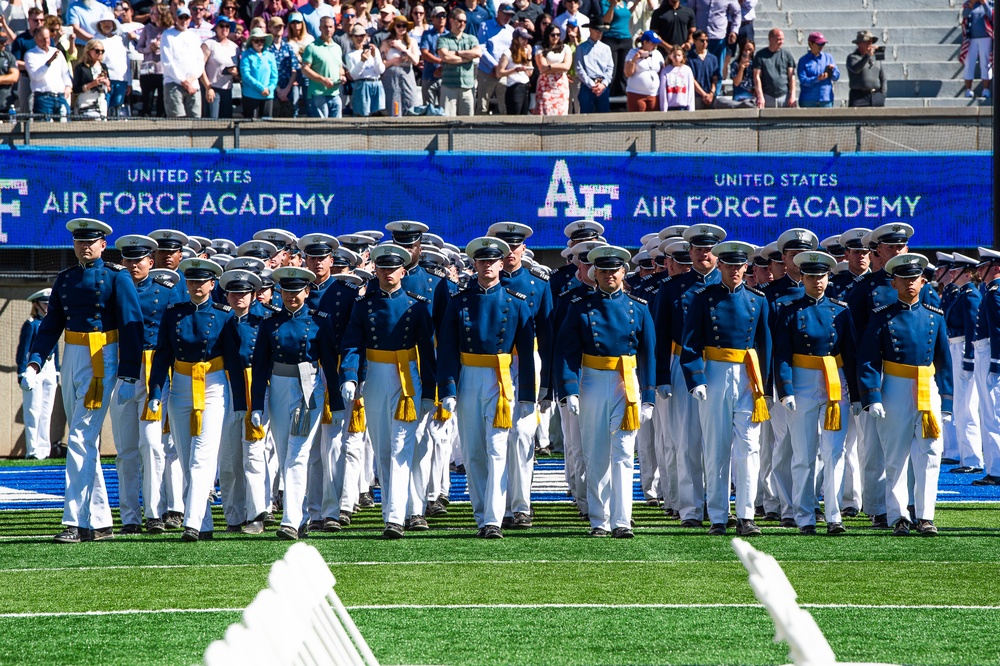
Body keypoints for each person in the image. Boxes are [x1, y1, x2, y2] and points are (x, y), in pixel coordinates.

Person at [24, 218, 143, 543]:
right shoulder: (66, 279)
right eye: (79, 242)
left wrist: (130, 372)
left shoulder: (117, 277)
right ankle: (101, 522)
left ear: (104, 245)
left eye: (91, 242)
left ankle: (75, 520)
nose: (84, 247)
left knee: (78, 436)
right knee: (84, 441)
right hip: (73, 355)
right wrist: (35, 362)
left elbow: (133, 325)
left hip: (101, 357)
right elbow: (51, 326)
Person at [437, 237, 536, 538]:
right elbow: (448, 349)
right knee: (474, 451)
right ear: (475, 265)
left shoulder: (516, 302)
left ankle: (494, 518)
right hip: (468, 377)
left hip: (501, 379)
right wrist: (449, 389)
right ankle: (482, 514)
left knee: (497, 448)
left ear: (501, 263)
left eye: (492, 261)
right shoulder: (459, 302)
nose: (487, 266)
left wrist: (528, 395)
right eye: (482, 262)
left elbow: (527, 355)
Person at [339, 244, 437, 539]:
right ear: (376, 271)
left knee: (403, 445)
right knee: (383, 446)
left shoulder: (416, 306)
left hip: (407, 377)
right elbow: (352, 343)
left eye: (393, 268)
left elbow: (428, 353)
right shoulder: (364, 305)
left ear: (403, 271)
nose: (387, 273)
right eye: (382, 268)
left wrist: (431, 391)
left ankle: (401, 515)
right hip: (377, 377)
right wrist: (350, 376)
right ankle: (394, 512)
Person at [557, 245, 655, 539]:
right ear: (594, 273)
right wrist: (570, 389)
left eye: (615, 270)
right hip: (592, 381)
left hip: (626, 382)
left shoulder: (639, 307)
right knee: (595, 452)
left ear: (624, 272)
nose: (610, 275)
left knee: (624, 452)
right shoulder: (579, 306)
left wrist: (648, 396)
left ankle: (623, 519)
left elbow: (649, 354)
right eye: (604, 270)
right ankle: (599, 519)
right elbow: (567, 352)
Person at [147, 258, 247, 542]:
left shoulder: (224, 314)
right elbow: (162, 354)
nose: (196, 286)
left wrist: (239, 402)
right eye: (191, 281)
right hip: (180, 385)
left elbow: (234, 362)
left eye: (201, 282)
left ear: (212, 284)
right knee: (187, 455)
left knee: (203, 457)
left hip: (213, 386)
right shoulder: (174, 313)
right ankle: (203, 524)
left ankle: (190, 523)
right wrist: (156, 392)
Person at [858, 253, 952, 537]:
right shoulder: (882, 317)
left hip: (926, 387)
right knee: (895, 456)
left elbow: (945, 362)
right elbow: (869, 359)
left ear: (923, 282)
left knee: (930, 453)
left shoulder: (935, 318)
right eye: (904, 279)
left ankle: (925, 516)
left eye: (914, 279)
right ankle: (899, 515)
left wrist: (946, 401)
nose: (910, 284)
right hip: (895, 387)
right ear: (894, 282)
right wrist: (872, 396)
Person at [680, 240, 768, 537]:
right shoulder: (703, 299)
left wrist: (764, 387)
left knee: (749, 447)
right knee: (716, 447)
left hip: (747, 374)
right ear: (720, 266)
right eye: (728, 265)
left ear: (747, 267)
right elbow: (690, 344)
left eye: (739, 266)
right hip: (714, 375)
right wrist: (696, 379)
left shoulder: (758, 300)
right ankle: (718, 515)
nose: (734, 271)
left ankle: (746, 514)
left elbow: (765, 345)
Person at [773, 251, 859, 536]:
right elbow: (782, 353)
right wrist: (785, 389)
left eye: (821, 276)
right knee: (803, 453)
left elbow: (851, 353)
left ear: (828, 277)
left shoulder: (840, 310)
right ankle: (804, 515)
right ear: (802, 277)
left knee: (834, 451)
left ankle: (834, 515)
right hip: (802, 381)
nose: (816, 282)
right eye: (810, 276)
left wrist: (857, 395)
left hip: (835, 380)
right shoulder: (789, 309)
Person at [250, 267, 339, 540]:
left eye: (296, 291)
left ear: (307, 292)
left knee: (297, 455)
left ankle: (290, 520)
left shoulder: (319, 321)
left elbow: (329, 363)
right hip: (278, 386)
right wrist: (256, 405)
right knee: (284, 448)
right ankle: (298, 517)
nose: (291, 296)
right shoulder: (269, 323)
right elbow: (261, 365)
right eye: (286, 291)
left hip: (308, 387)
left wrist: (334, 401)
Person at [652, 223, 724, 529]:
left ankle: (719, 503)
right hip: (683, 365)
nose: (703, 255)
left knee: (720, 440)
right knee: (687, 439)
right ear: (690, 253)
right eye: (698, 250)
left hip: (721, 367)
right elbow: (660, 336)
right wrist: (662, 378)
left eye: (708, 250)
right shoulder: (672, 289)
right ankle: (691, 508)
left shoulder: (733, 285)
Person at [942, 252, 983, 474]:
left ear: (967, 274)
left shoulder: (970, 296)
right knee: (959, 405)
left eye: (956, 272)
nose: (951, 274)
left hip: (962, 350)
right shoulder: (961, 294)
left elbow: (972, 331)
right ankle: (963, 456)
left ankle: (972, 459)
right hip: (954, 347)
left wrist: (968, 359)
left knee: (966, 406)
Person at [17, 288, 59, 461]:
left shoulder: (51, 323)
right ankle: (33, 450)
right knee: (33, 410)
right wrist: (21, 373)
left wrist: (57, 371)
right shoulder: (31, 324)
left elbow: (55, 348)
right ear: (36, 305)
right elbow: (23, 351)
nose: (47, 307)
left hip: (49, 368)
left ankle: (44, 449)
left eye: (49, 304)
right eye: (44, 303)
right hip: (33, 369)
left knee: (46, 411)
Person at [161, 5, 204, 117]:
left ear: (190, 19)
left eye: (186, 18)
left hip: (193, 84)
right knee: (177, 123)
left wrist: (191, 80)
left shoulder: (194, 36)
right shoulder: (167, 35)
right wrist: (183, 81)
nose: (184, 20)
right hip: (173, 83)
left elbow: (200, 61)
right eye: (181, 17)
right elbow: (167, 62)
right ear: (176, 18)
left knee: (196, 122)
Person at [436, 8, 481, 117]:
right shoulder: (443, 39)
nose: (463, 24)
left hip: (467, 87)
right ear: (451, 20)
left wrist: (456, 53)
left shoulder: (471, 39)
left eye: (465, 21)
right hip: (449, 86)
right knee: (448, 122)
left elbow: (477, 53)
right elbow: (445, 56)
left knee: (468, 122)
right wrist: (466, 58)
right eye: (460, 21)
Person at [24, 25, 72, 119]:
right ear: (36, 39)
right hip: (43, 98)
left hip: (60, 96)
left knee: (66, 128)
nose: (46, 42)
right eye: (42, 39)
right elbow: (36, 76)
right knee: (44, 129)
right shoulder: (30, 55)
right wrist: (48, 62)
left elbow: (65, 73)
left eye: (47, 38)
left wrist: (68, 87)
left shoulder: (57, 52)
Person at [691, 0, 738, 96]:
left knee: (717, 70)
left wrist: (734, 30)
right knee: (697, 68)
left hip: (718, 38)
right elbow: (690, 10)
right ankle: (699, 94)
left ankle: (716, 94)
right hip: (700, 37)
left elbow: (737, 13)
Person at [475, 2, 515, 115]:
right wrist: (495, 66)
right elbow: (482, 48)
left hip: (503, 72)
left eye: (510, 15)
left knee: (504, 105)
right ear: (498, 13)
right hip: (487, 71)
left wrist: (502, 68)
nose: (508, 17)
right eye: (506, 14)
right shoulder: (485, 26)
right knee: (482, 105)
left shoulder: (510, 30)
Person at [300, 16, 344, 118]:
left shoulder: (337, 48)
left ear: (334, 28)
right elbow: (305, 69)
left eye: (330, 27)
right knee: (321, 128)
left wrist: (342, 76)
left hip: (335, 93)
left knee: (339, 129)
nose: (328, 29)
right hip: (318, 94)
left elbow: (340, 67)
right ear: (320, 28)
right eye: (325, 27)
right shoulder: (312, 47)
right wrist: (322, 79)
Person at [380, 14, 419, 116]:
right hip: (391, 76)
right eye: (398, 26)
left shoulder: (412, 42)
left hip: (407, 74)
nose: (401, 28)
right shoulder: (386, 43)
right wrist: (393, 61)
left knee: (410, 102)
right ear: (394, 27)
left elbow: (415, 61)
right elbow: (381, 66)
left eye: (404, 26)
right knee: (394, 105)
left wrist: (402, 48)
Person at [200, 17, 238, 118]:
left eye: (227, 26)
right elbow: (200, 67)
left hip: (228, 89)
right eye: (221, 26)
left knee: (226, 124)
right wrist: (208, 88)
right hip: (213, 88)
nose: (224, 28)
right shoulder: (209, 44)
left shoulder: (235, 47)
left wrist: (235, 73)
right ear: (216, 28)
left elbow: (239, 73)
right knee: (212, 123)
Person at [137, 4, 170, 117]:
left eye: (153, 13)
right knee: (147, 99)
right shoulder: (147, 28)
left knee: (162, 100)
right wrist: (149, 49)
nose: (151, 15)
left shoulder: (169, 30)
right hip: (148, 69)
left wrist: (161, 48)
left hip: (163, 70)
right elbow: (139, 48)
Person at [345, 23, 385, 115]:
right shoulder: (350, 55)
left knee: (379, 115)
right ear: (352, 37)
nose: (359, 38)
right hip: (362, 84)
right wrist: (362, 61)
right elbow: (354, 76)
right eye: (356, 36)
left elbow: (381, 70)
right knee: (362, 115)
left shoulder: (374, 50)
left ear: (366, 36)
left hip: (377, 83)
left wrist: (375, 56)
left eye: (362, 36)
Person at [752, 27, 795, 108]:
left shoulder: (787, 55)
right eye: (778, 39)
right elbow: (756, 76)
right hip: (767, 96)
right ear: (770, 39)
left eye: (782, 39)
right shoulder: (760, 55)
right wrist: (760, 96)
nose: (781, 42)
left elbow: (791, 77)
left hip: (784, 95)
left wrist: (792, 96)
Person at [93, 17, 128, 116]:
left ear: (113, 25)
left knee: (116, 110)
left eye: (109, 22)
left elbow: (126, 60)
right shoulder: (95, 40)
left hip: (121, 80)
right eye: (104, 22)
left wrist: (128, 81)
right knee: (103, 108)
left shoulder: (119, 40)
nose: (107, 24)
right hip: (104, 80)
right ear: (100, 24)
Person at [575, 21, 613, 113]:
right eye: (597, 31)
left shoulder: (606, 48)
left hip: (602, 85)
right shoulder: (581, 48)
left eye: (601, 31)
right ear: (590, 30)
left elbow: (610, 67)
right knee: (586, 116)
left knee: (604, 117)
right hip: (587, 86)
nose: (599, 33)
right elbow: (579, 68)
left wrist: (603, 84)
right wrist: (592, 85)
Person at [240, 26, 278, 118]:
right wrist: (261, 88)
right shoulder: (246, 55)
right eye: (257, 40)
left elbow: (274, 76)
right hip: (251, 95)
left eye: (262, 40)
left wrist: (269, 88)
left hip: (268, 96)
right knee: (250, 127)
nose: (259, 43)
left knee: (267, 125)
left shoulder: (270, 55)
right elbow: (245, 75)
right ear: (252, 41)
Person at [267, 16, 301, 117]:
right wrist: (278, 90)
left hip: (288, 90)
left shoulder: (288, 47)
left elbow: (294, 69)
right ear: (270, 28)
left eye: (280, 26)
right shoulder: (267, 48)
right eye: (276, 26)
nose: (279, 29)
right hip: (272, 90)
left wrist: (286, 90)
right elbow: (266, 70)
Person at [534, 23, 570, 115]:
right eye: (553, 35)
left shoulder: (566, 48)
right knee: (544, 111)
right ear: (547, 35)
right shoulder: (540, 48)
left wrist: (550, 66)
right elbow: (542, 68)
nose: (556, 37)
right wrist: (559, 67)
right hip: (545, 84)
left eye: (558, 34)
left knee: (561, 112)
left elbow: (566, 66)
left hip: (560, 85)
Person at [624, 29, 663, 112]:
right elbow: (627, 73)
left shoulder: (657, 54)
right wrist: (634, 60)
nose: (655, 45)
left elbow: (663, 71)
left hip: (654, 94)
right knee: (638, 121)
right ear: (645, 42)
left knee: (654, 120)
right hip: (636, 93)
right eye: (652, 43)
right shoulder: (633, 52)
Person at [598, 0, 631, 97]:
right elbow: (606, 20)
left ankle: (623, 97)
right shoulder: (605, 2)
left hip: (625, 38)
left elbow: (627, 15)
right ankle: (609, 97)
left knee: (623, 70)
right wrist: (612, 5)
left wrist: (636, 3)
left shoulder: (624, 2)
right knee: (612, 69)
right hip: (611, 38)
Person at [496, 25, 533, 114]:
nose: (526, 41)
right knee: (515, 114)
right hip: (514, 86)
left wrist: (529, 58)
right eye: (523, 39)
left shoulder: (525, 52)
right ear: (516, 39)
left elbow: (529, 73)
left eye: (527, 39)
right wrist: (515, 70)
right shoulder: (508, 53)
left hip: (525, 85)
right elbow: (499, 73)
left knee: (524, 115)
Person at [960, 0, 992, 99]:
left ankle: (986, 89)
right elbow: (964, 15)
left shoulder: (990, 3)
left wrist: (984, 3)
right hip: (971, 38)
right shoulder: (968, 3)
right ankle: (968, 90)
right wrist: (971, 4)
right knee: (969, 63)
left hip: (986, 37)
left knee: (985, 63)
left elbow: (992, 16)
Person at [797, 31, 838, 108]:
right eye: (819, 44)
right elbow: (803, 80)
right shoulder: (803, 60)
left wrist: (832, 72)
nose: (821, 46)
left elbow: (836, 77)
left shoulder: (828, 58)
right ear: (810, 44)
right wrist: (817, 79)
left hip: (825, 99)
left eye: (823, 44)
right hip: (808, 100)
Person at [846, 30, 885, 107]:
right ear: (859, 44)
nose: (870, 44)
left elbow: (882, 77)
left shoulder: (875, 58)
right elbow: (856, 69)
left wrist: (883, 93)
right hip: (858, 97)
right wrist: (867, 56)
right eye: (867, 42)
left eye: (871, 42)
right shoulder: (852, 57)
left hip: (876, 96)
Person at [418, 5, 448, 107]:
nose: (442, 18)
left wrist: (441, 67)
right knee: (428, 108)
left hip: (446, 77)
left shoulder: (449, 35)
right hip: (429, 76)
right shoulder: (427, 34)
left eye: (444, 16)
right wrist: (440, 61)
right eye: (438, 16)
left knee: (445, 108)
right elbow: (425, 54)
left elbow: (452, 54)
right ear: (433, 18)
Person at [73, 39, 110, 118]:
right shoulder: (81, 67)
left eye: (102, 51)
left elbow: (109, 89)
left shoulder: (103, 67)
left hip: (100, 103)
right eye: (97, 51)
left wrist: (107, 84)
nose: (100, 53)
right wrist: (92, 84)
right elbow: (75, 89)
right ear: (89, 51)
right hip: (85, 102)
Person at [658, 44, 695, 111]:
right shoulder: (666, 70)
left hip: (683, 106)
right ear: (670, 56)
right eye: (674, 56)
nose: (677, 58)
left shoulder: (687, 70)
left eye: (679, 55)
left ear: (682, 56)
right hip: (670, 106)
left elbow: (690, 89)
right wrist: (664, 109)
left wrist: (691, 109)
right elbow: (663, 91)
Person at [686, 30, 717, 109]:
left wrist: (711, 93)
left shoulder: (713, 58)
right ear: (695, 41)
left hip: (710, 96)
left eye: (707, 40)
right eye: (702, 40)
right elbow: (691, 79)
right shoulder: (689, 59)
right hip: (695, 96)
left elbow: (715, 77)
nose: (705, 43)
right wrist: (704, 94)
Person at [727, 37, 755, 106]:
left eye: (750, 50)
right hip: (739, 96)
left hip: (752, 96)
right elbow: (736, 83)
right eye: (745, 50)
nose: (748, 52)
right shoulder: (735, 64)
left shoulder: (755, 63)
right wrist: (742, 67)